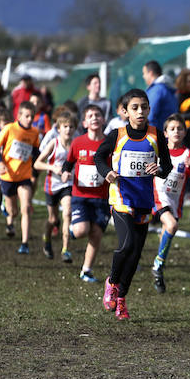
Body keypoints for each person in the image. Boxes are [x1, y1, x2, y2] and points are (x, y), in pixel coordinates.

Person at [95, 88, 172, 320]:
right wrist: (107, 172)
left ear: (149, 109)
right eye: (135, 108)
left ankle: (121, 299)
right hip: (121, 198)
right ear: (124, 111)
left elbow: (166, 165)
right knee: (126, 245)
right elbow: (99, 157)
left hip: (144, 200)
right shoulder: (117, 135)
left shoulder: (156, 135)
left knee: (136, 253)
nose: (140, 112)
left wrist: (159, 169)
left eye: (144, 107)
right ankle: (112, 282)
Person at [150, 114, 190, 293]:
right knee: (172, 226)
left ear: (185, 132)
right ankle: (157, 266)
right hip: (158, 196)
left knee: (167, 231)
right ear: (165, 133)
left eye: (180, 129)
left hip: (174, 200)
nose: (176, 132)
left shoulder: (188, 154)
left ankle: (158, 267)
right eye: (172, 129)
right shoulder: (158, 151)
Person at [60, 105, 112, 283]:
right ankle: (72, 231)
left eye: (98, 115)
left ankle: (86, 270)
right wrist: (66, 172)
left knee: (96, 233)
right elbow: (68, 163)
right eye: (90, 115)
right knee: (82, 230)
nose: (95, 118)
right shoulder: (78, 142)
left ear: (103, 120)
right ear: (84, 122)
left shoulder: (108, 144)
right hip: (80, 195)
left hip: (102, 197)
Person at [0, 100, 41, 254]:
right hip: (8, 176)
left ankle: (25, 243)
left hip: (24, 176)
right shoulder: (9, 129)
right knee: (13, 211)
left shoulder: (34, 132)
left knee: (25, 208)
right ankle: (8, 215)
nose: (30, 119)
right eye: (27, 116)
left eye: (32, 117)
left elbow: (35, 152)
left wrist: (36, 169)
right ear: (19, 115)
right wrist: (0, 162)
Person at [33, 112, 74, 262]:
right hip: (52, 185)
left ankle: (65, 249)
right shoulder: (54, 143)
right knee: (53, 219)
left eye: (71, 127)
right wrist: (53, 168)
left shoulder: (75, 144)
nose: (68, 130)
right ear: (59, 128)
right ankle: (47, 239)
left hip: (68, 185)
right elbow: (37, 163)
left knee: (67, 213)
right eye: (65, 126)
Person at [142, 60, 178, 132]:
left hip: (157, 134)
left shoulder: (156, 90)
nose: (143, 76)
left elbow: (150, 115)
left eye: (144, 73)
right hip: (168, 133)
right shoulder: (167, 88)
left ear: (150, 73)